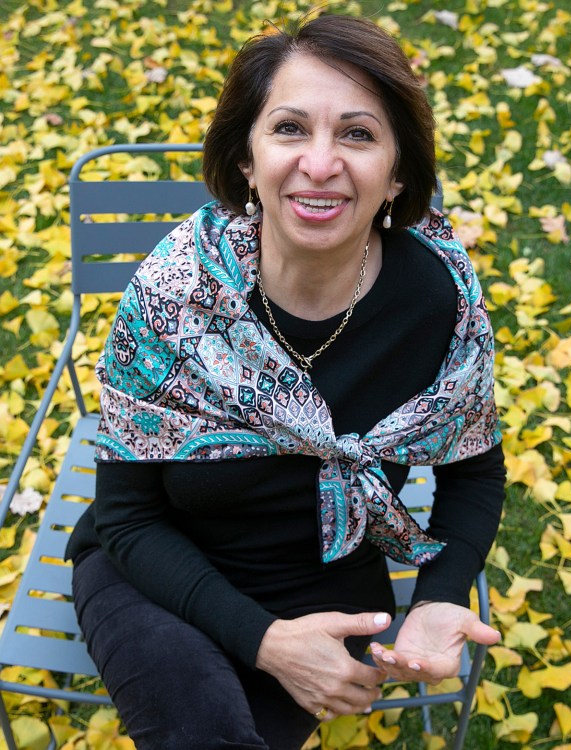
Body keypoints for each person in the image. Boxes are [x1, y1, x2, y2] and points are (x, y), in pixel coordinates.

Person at [65, 14, 507, 750]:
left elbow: (475, 472)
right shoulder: (177, 295)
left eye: (358, 135)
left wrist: (437, 598)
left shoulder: (437, 298)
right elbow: (127, 519)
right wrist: (266, 642)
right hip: (154, 566)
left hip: (327, 581)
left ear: (399, 173)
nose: (321, 163)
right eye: (291, 129)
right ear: (247, 157)